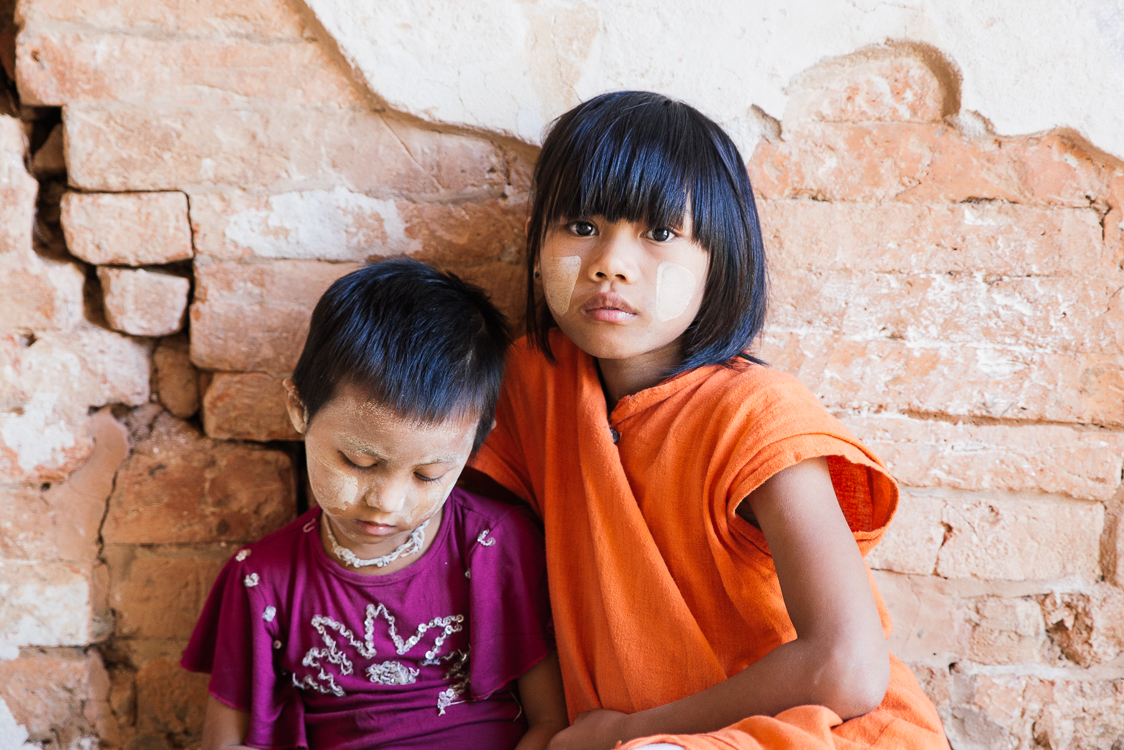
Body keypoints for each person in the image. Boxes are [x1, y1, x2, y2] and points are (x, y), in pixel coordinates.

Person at [467, 91, 950, 750]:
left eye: (659, 233)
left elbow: (848, 669)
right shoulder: (534, 384)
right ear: (535, 247)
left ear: (717, 264)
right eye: (581, 226)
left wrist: (630, 731)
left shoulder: (754, 414)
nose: (610, 261)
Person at [182, 259, 569, 750]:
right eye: (359, 462)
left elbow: (552, 724)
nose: (386, 501)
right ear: (300, 409)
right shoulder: (262, 582)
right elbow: (225, 742)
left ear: (474, 446)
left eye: (428, 474)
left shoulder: (493, 547)